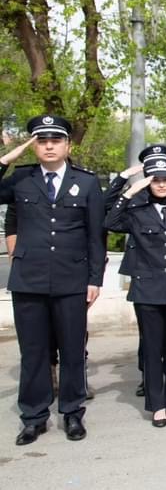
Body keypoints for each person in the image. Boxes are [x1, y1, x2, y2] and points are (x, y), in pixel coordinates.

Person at [0, 116, 105, 445]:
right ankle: (33, 417)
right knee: (33, 352)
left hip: (71, 280)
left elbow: (95, 236)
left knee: (72, 350)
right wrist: (6, 158)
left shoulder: (86, 183)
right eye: (41, 140)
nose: (48, 146)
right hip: (28, 280)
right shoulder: (21, 179)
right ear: (34, 145)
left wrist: (95, 279)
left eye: (54, 140)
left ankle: (72, 413)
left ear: (67, 145)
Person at [104, 153, 166, 427]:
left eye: (165, 180)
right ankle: (156, 404)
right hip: (147, 290)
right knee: (151, 349)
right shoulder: (137, 213)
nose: (161, 185)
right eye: (155, 181)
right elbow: (109, 221)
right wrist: (130, 189)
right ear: (149, 184)